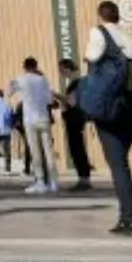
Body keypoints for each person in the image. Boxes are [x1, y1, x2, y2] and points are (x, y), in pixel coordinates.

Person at [77, 1, 132, 235]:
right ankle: (128, 215)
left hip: (109, 108)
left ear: (100, 16)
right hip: (130, 107)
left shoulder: (98, 33)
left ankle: (129, 218)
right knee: (123, 163)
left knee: (118, 164)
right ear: (119, 17)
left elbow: (90, 56)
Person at [11, 56, 60, 194]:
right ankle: (54, 182)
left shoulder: (20, 79)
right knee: (49, 151)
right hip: (43, 117)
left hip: (30, 119)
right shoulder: (43, 79)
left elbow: (9, 92)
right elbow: (50, 100)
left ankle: (40, 182)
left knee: (35, 152)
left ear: (24, 67)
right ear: (36, 66)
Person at [57, 57, 94, 192]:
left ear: (67, 68)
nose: (60, 73)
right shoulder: (77, 82)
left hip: (75, 119)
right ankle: (83, 178)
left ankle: (84, 180)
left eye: (61, 70)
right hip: (75, 119)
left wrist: (57, 96)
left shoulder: (76, 83)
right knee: (77, 149)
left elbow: (72, 102)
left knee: (77, 149)